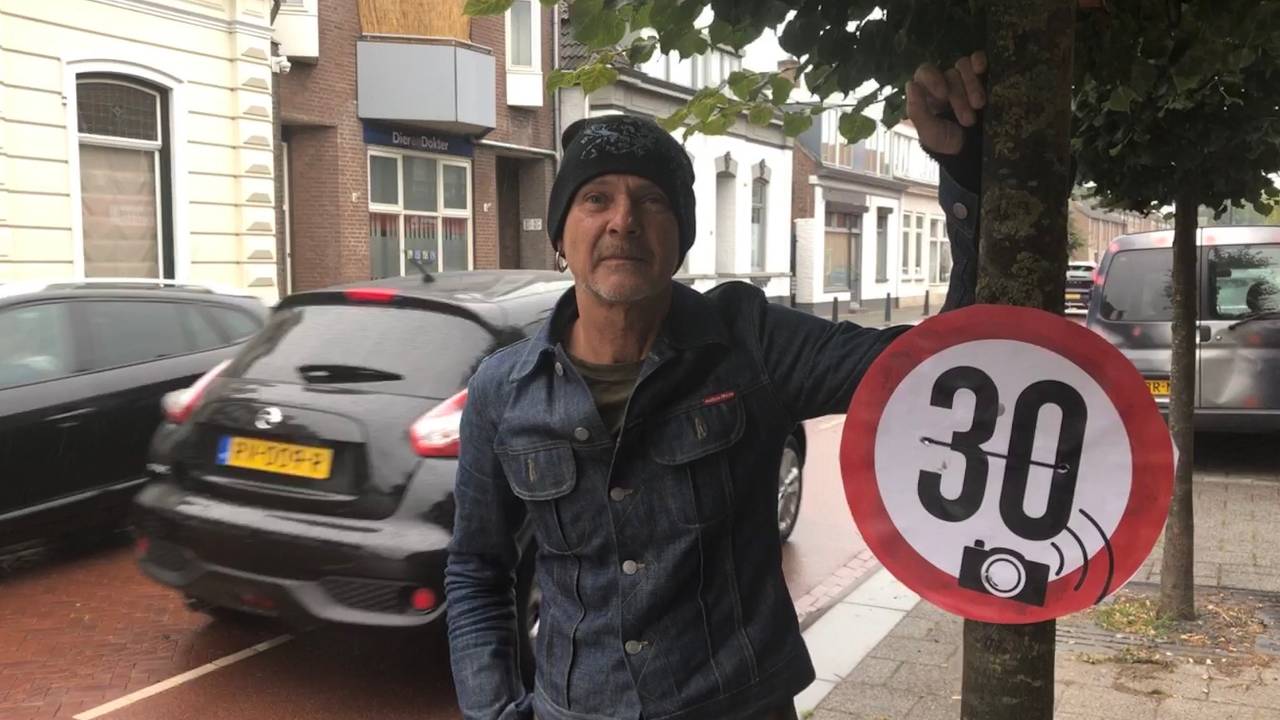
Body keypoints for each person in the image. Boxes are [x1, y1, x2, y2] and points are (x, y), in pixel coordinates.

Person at [445, 52, 990, 720]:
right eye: (596, 199)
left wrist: (966, 173)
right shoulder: (504, 391)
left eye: (651, 201)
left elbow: (946, 365)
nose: (623, 220)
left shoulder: (749, 343)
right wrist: (495, 710)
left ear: (682, 241)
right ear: (562, 236)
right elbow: (476, 570)